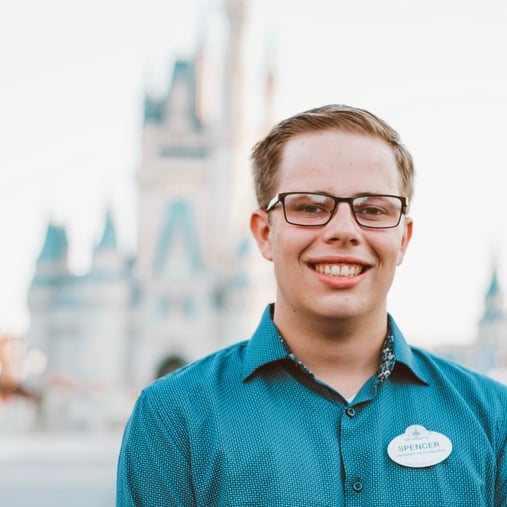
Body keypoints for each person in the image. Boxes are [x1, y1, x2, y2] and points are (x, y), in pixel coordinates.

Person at [116, 104, 507, 506]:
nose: (343, 230)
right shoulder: (171, 418)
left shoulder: (494, 418)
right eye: (310, 207)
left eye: (372, 210)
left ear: (403, 238)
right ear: (265, 233)